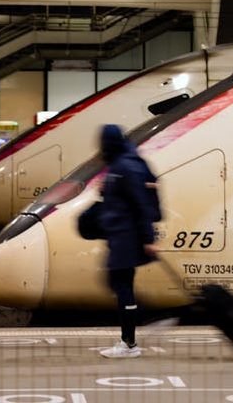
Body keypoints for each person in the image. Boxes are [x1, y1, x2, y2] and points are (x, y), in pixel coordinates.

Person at [97, 124, 160, 358]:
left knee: (121, 286)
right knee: (118, 284)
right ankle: (140, 329)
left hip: (127, 237)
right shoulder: (119, 165)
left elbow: (140, 203)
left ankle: (130, 343)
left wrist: (148, 238)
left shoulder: (125, 166)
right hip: (120, 236)